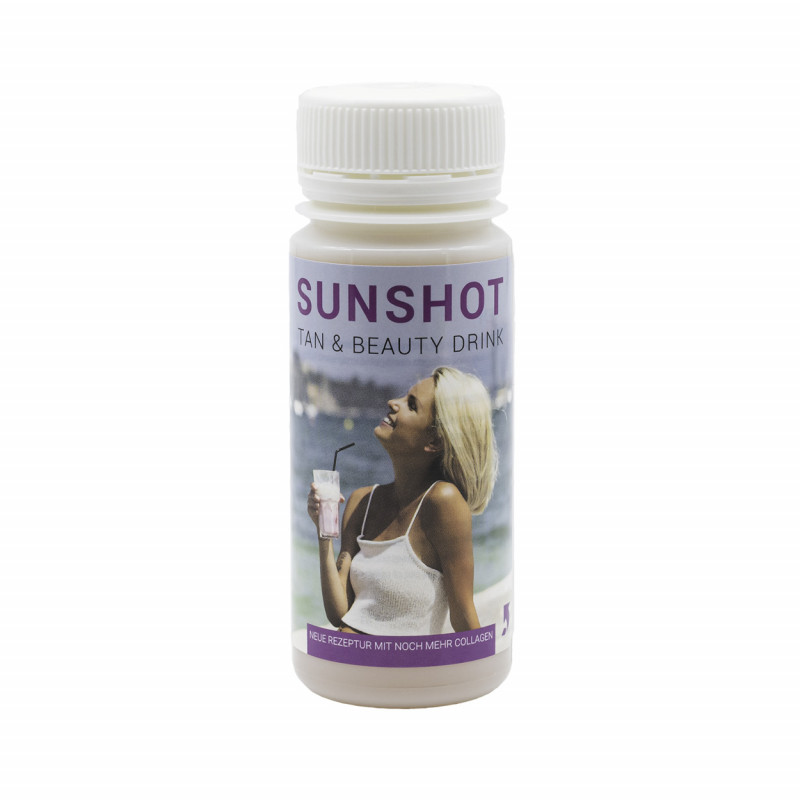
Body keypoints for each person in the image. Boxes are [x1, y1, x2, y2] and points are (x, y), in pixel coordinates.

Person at [307, 366, 498, 635]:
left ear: (435, 440)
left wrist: (488, 658)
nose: (392, 403)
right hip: (347, 659)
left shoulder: (444, 502)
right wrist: (323, 534)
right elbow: (339, 613)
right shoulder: (361, 501)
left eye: (411, 404)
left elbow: (463, 616)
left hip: (404, 664)